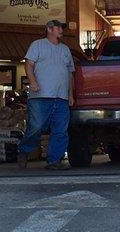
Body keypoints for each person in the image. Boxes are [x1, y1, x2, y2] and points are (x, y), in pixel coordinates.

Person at [17, 20, 75, 170]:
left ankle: (53, 161)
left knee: (60, 130)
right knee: (36, 127)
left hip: (61, 97)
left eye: (62, 28)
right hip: (40, 96)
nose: (61, 30)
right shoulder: (37, 45)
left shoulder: (65, 50)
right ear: (49, 29)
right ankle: (24, 150)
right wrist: (32, 82)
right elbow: (28, 64)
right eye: (58, 27)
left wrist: (70, 94)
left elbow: (70, 73)